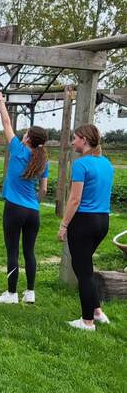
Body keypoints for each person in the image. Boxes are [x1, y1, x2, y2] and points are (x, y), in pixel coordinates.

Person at [0, 92, 49, 304]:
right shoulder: (43, 161)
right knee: (29, 252)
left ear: (27, 138)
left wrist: (1, 100)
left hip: (14, 209)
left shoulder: (17, 149)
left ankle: (11, 294)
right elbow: (43, 190)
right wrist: (34, 201)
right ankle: (30, 293)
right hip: (33, 211)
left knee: (12, 251)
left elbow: (6, 121)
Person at [59, 124, 114, 331]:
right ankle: (97, 312)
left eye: (74, 138)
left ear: (84, 140)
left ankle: (87, 321)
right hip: (102, 222)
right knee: (85, 267)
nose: (72, 142)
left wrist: (64, 225)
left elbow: (74, 199)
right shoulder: (107, 164)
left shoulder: (81, 165)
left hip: (83, 222)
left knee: (83, 272)